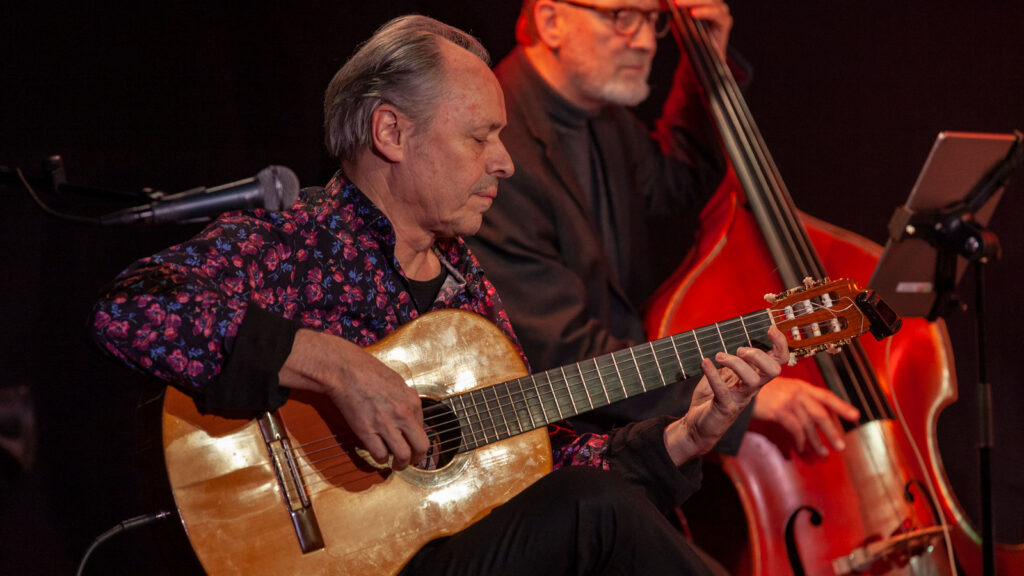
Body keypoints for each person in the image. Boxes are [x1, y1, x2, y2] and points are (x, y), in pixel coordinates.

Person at [89, 14, 790, 575]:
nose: (505, 162)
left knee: (595, 506)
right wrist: (332, 365)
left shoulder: (464, 282)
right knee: (595, 508)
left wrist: (682, 438)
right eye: (481, 137)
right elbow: (129, 308)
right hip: (325, 559)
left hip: (445, 549)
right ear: (392, 132)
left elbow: (530, 462)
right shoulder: (295, 239)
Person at [467, 0, 860, 460]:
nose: (646, 41)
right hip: (552, 446)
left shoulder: (602, 116)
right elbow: (561, 351)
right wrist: (729, 395)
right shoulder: (498, 147)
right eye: (623, 16)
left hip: (615, 421)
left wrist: (705, 66)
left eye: (653, 20)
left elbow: (674, 184)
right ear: (551, 21)